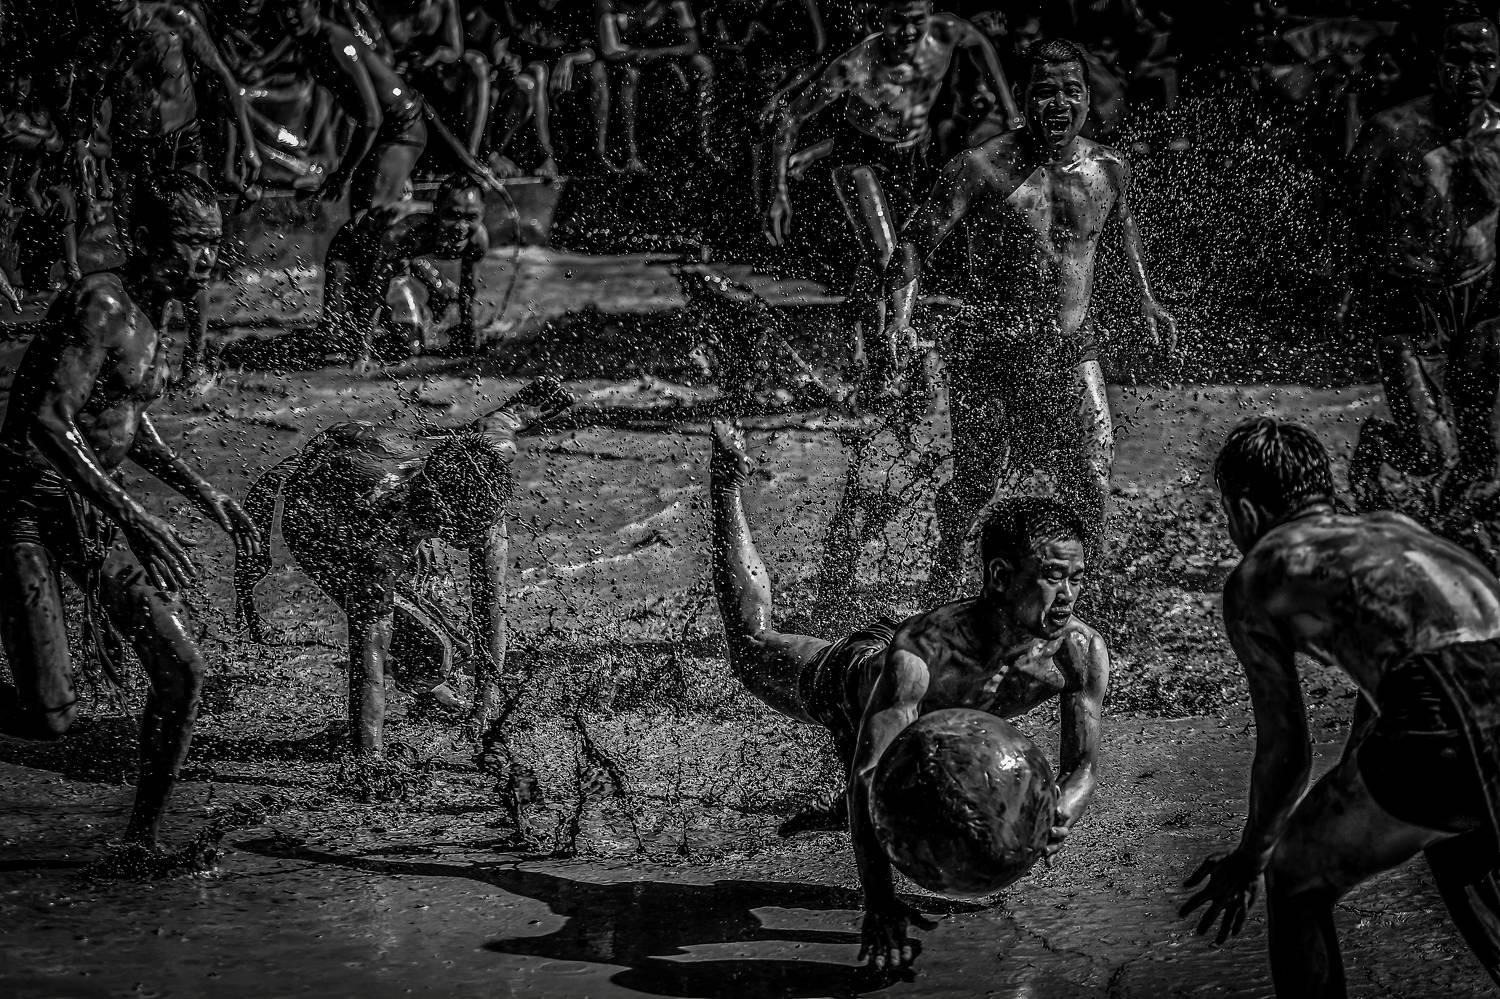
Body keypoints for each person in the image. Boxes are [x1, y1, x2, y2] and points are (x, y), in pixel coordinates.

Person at [705, 420, 1108, 972]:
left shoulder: (1078, 652)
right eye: (1053, 577)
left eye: (1077, 578)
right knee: (751, 646)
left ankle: (844, 815)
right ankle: (726, 483)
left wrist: (1062, 809)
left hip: (925, 721)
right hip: (855, 682)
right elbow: (867, 777)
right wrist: (878, 900)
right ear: (999, 576)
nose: (1069, 596)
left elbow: (1082, 768)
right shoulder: (922, 656)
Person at [1181, 416, 1500, 998]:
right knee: (1455, 838)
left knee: (1295, 874)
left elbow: (1286, 754)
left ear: (1246, 512)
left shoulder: (1261, 569)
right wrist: (1359, 773)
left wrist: (1251, 857)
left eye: (1228, 516)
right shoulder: (1394, 529)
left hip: (1443, 699)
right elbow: (1382, 690)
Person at [0, 170, 261, 857]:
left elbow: (122, 418)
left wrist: (201, 490)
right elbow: (47, 420)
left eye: (212, 243)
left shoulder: (156, 307)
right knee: (51, 719)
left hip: (87, 505)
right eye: (188, 241)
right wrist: (137, 518)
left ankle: (140, 843)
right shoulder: (102, 302)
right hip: (24, 507)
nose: (203, 258)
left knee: (181, 670)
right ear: (142, 237)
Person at [882, 37, 1176, 594]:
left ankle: (1087, 590)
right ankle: (946, 565)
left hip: (1071, 344)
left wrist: (1145, 295)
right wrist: (901, 316)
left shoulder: (1110, 168)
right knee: (978, 483)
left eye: (1071, 91)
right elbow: (915, 241)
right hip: (992, 348)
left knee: (1091, 473)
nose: (1058, 104)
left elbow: (1121, 225)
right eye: (1044, 92)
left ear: (1087, 98)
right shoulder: (980, 166)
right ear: (1020, 97)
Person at [235, 378, 571, 758]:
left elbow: (491, 608)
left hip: (385, 458)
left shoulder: (481, 465)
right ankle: (424, 684)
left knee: (438, 613)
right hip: (320, 515)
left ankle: (431, 684)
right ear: (445, 524)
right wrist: (370, 760)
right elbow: (368, 664)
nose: (485, 539)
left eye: (490, 525)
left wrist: (486, 711)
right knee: (427, 650)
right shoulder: (379, 543)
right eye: (472, 534)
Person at [763, 0, 1019, 387]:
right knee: (889, 258)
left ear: (929, 13)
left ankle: (859, 347)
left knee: (888, 260)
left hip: (913, 155)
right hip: (859, 157)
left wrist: (1010, 109)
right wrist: (778, 191)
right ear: (878, 17)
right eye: (898, 21)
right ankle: (898, 343)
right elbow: (791, 115)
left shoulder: (946, 33)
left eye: (917, 21)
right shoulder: (855, 65)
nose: (909, 32)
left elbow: (979, 43)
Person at [1346, 3, 1500, 523]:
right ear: (1436, 60)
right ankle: (1378, 445)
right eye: (1459, 58)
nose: (1472, 72)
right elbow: (1349, 213)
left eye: (1486, 59)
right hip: (1408, 302)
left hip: (1481, 299)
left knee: (1481, 457)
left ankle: (1455, 535)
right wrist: (1350, 288)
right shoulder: (1392, 129)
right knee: (1431, 451)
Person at [316, 174, 489, 365]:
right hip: (350, 250)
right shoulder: (405, 233)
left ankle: (401, 323)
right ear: (437, 210)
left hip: (393, 256)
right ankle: (343, 336)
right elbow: (376, 292)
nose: (461, 227)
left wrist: (469, 330)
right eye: (452, 215)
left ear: (483, 213)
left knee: (413, 344)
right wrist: (363, 353)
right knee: (335, 339)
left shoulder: (477, 240)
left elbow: (468, 288)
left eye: (471, 217)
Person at [591, 0, 719, 172]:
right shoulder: (613, 5)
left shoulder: (675, 3)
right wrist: (642, 53)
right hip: (632, 60)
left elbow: (692, 44)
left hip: (665, 55)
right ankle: (631, 152)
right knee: (629, 75)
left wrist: (659, 53)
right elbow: (609, 50)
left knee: (703, 65)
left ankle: (704, 142)